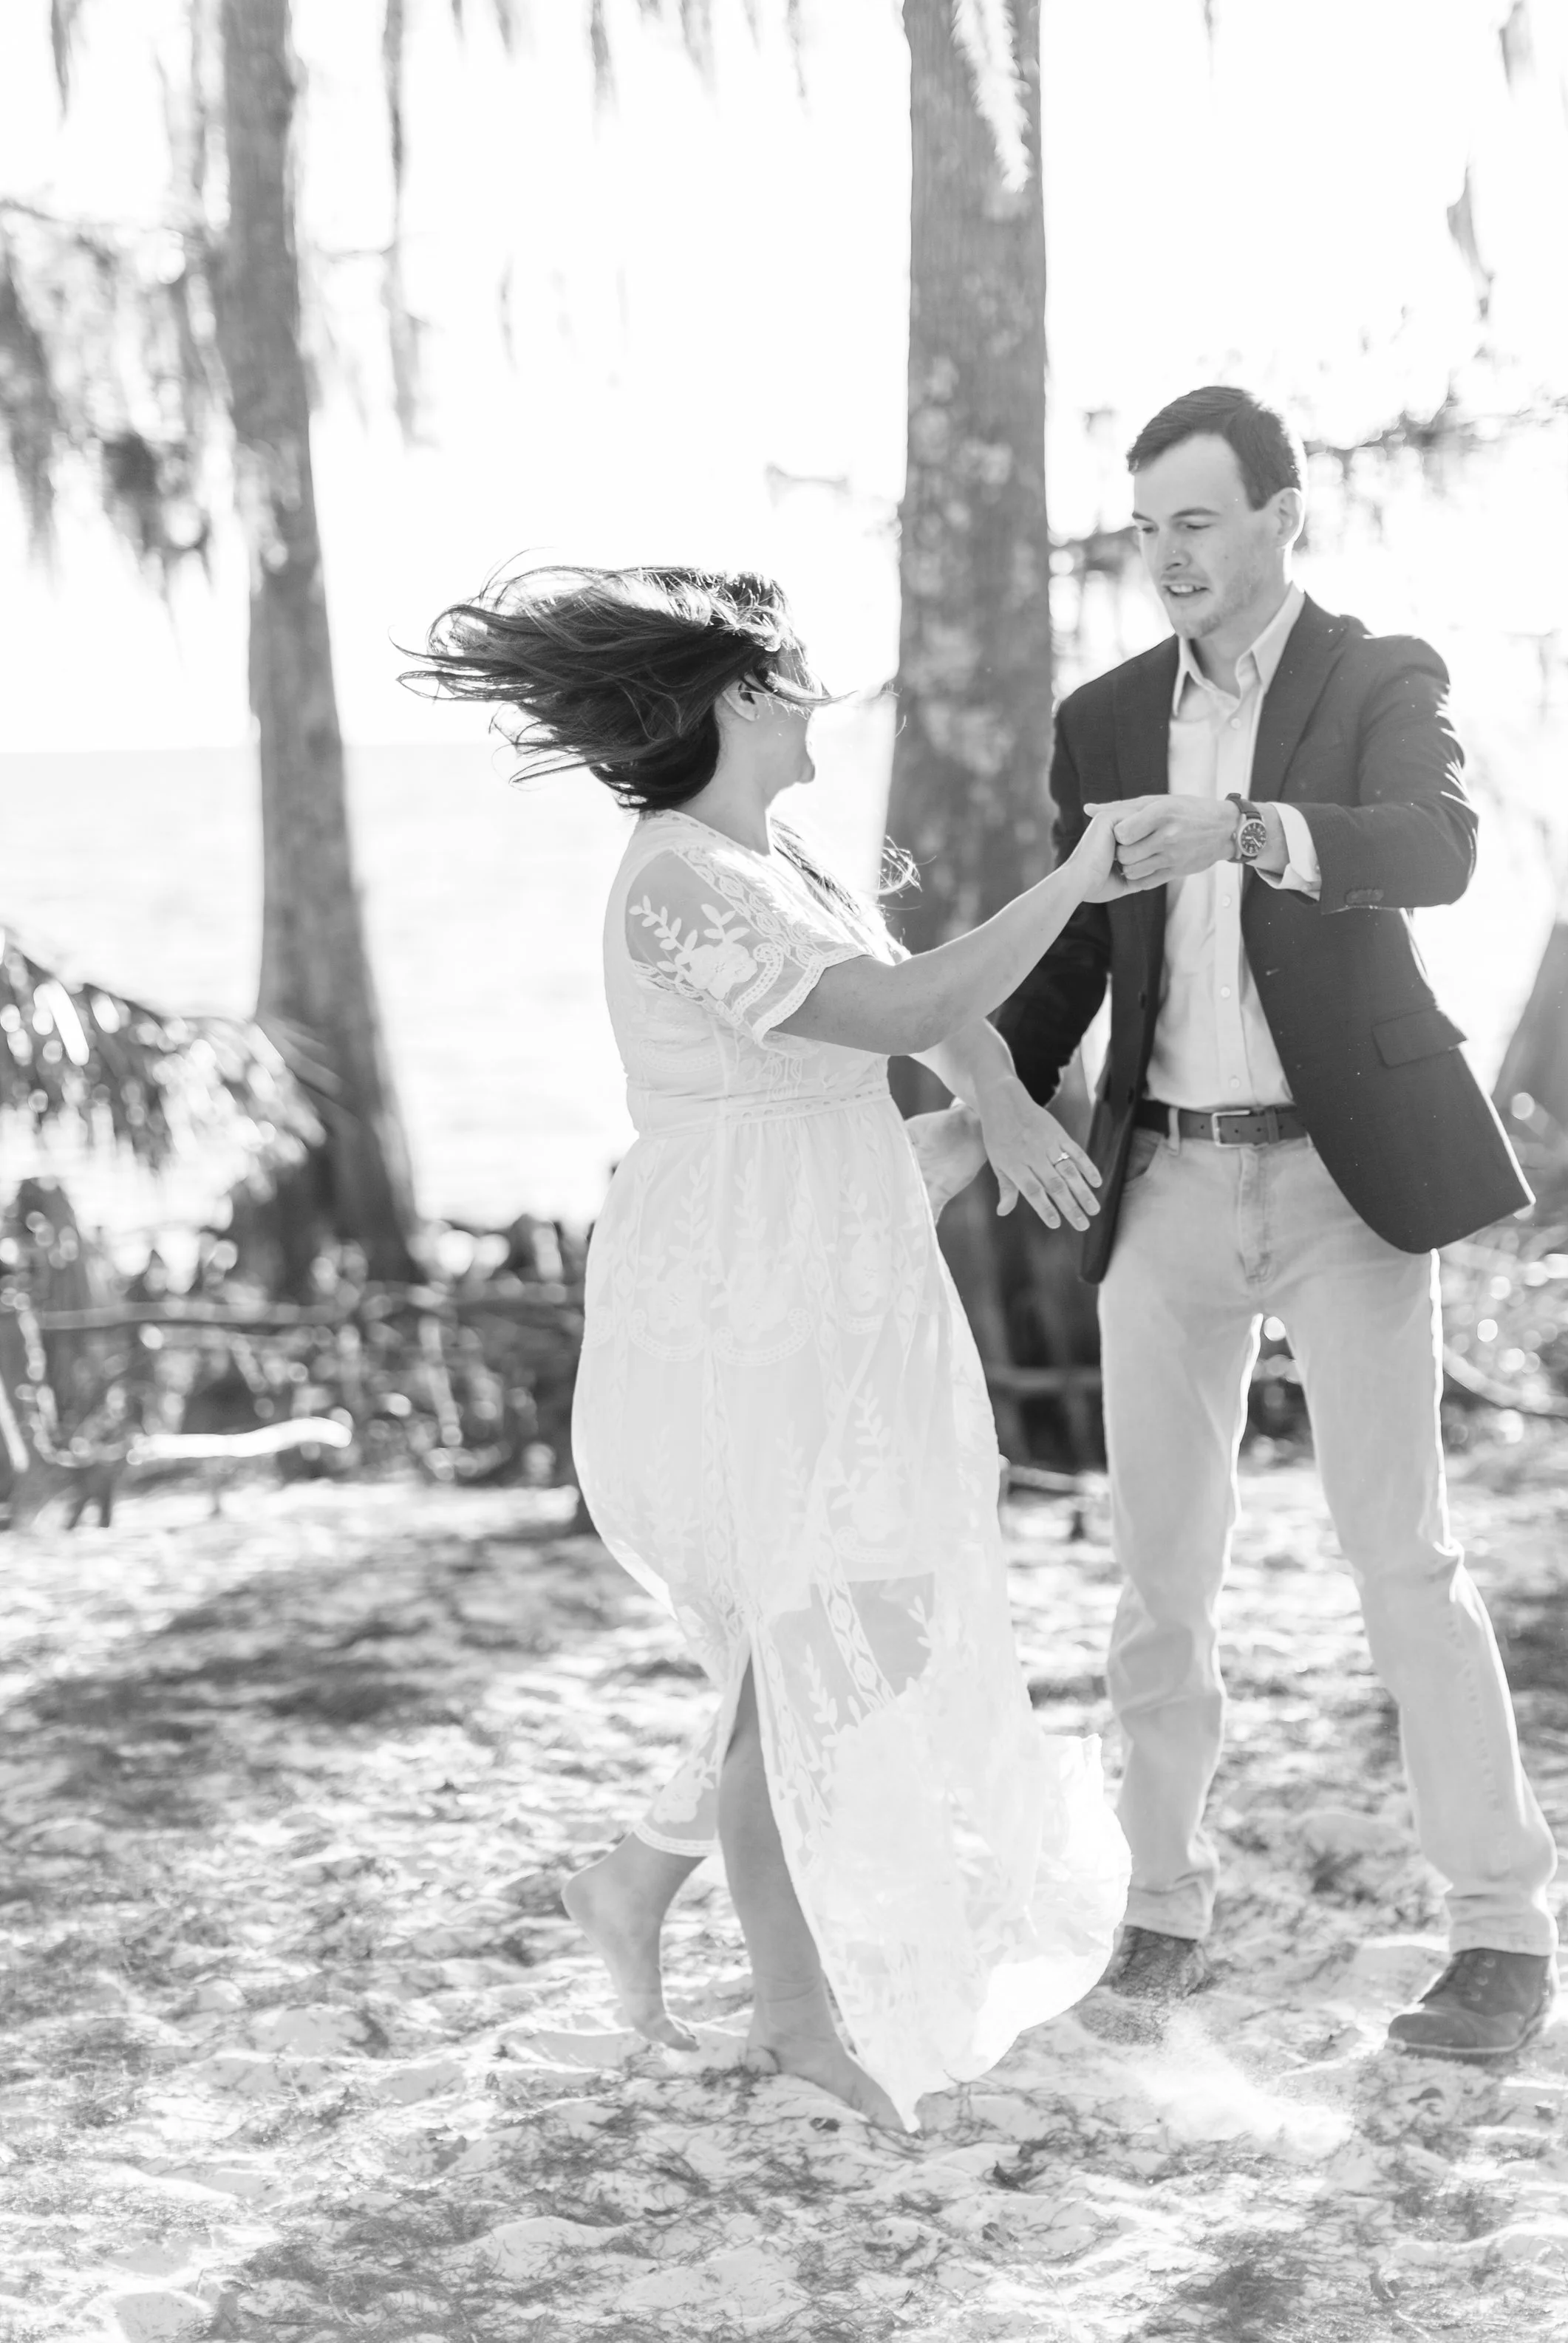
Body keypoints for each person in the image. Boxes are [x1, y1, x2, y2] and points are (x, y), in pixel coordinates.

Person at [406, 566, 1131, 2132]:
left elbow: (924, 1009)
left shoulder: (771, 856)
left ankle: (636, 1881)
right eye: (797, 677)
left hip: (835, 1269)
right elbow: (894, 1007)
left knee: (863, 1622)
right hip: (735, 1293)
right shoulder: (674, 881)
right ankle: (794, 2019)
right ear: (740, 696)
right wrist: (1077, 880)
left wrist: (1003, 1106)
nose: (820, 702)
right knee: (806, 1639)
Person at [977, 385, 1560, 2061]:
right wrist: (990, 1100)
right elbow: (1080, 950)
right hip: (1160, 1184)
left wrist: (1241, 832)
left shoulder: (1378, 677)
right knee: (1158, 1581)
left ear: (1280, 518)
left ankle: (1498, 1931)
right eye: (1145, 527)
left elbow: (1436, 849)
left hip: (1342, 1182)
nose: (1166, 555)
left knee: (1404, 1562)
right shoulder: (1100, 721)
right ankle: (1158, 1910)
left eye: (1197, 521)